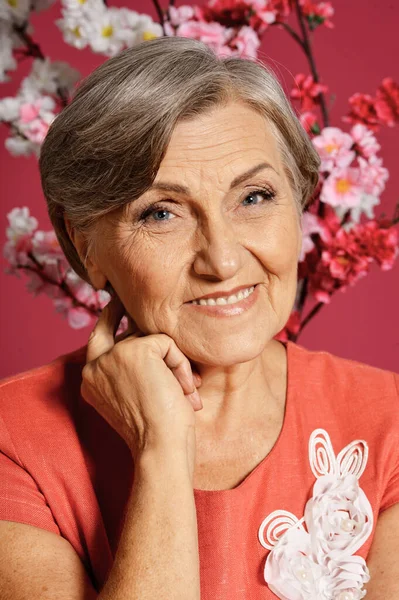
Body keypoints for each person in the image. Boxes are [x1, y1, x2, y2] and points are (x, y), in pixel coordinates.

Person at [0, 35, 398, 600]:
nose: (224, 260)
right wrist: (162, 454)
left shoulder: (388, 424)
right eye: (161, 213)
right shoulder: (13, 442)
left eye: (255, 197)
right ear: (85, 246)